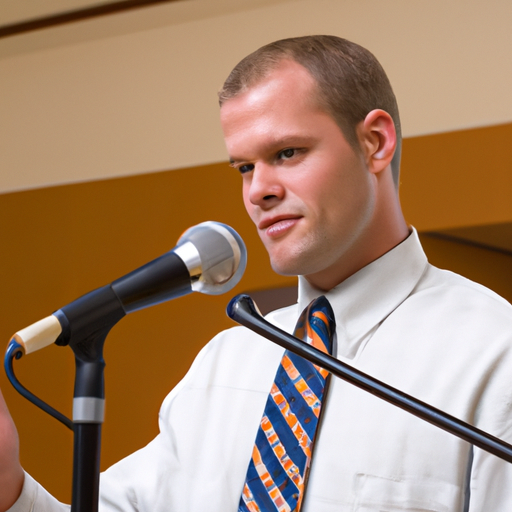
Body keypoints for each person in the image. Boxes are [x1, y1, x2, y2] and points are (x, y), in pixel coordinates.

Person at [2, 34, 512, 511]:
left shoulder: (493, 351)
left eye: (286, 153)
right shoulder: (225, 364)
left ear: (375, 142)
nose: (257, 191)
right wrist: (10, 488)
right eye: (245, 167)